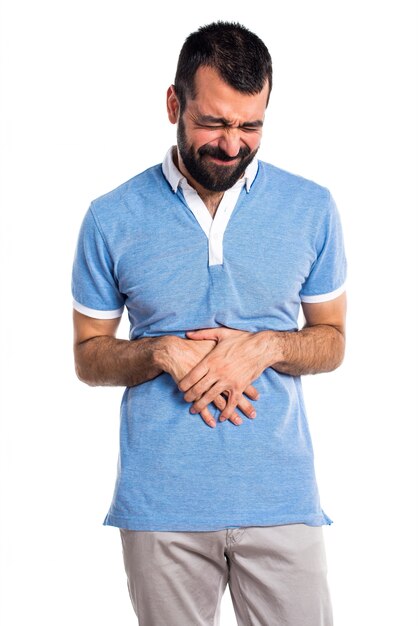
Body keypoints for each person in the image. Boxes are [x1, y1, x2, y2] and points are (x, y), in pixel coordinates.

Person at [72, 21, 346, 626]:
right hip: (161, 503)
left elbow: (332, 341)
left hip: (282, 495)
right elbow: (88, 354)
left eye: (250, 126)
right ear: (174, 104)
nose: (231, 144)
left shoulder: (311, 208)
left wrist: (266, 347)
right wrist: (159, 353)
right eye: (214, 123)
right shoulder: (110, 217)